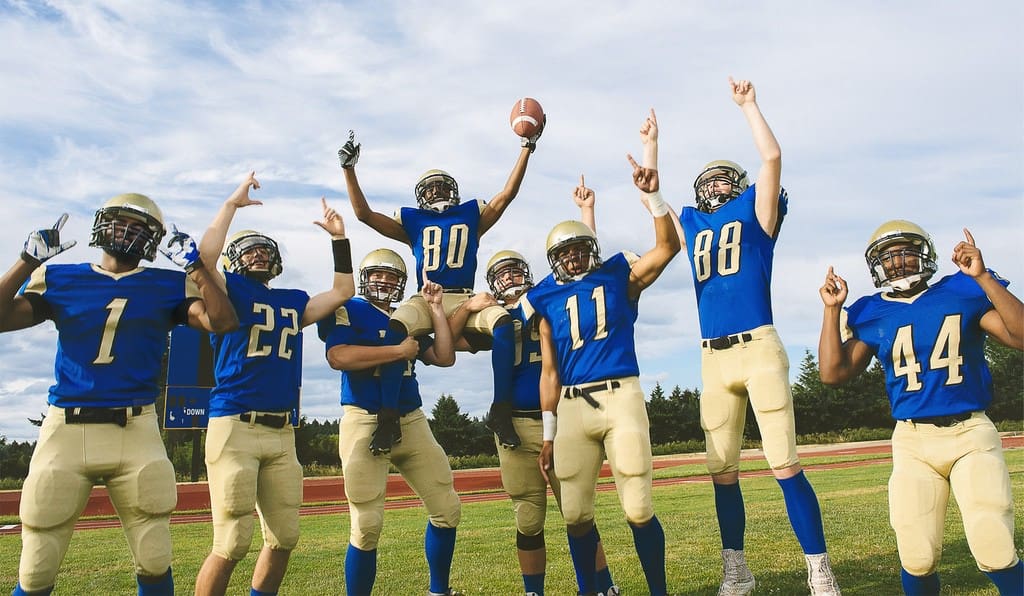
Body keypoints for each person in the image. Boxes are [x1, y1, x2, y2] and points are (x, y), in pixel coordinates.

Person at [651, 80, 839, 595]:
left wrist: (748, 105)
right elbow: (654, 200)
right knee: (722, 471)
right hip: (713, 359)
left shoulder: (757, 214)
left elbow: (772, 155)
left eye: (722, 181)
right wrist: (651, 149)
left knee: (784, 463)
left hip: (758, 348)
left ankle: (818, 567)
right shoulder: (692, 224)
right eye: (707, 183)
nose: (714, 188)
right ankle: (737, 567)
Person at [0, 195, 238, 596]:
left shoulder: (167, 283)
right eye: (121, 222)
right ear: (101, 225)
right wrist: (27, 260)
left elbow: (223, 322)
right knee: (37, 563)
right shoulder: (59, 277)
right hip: (65, 427)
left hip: (135, 426)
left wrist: (196, 265)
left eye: (140, 228)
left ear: (153, 240)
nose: (128, 232)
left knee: (154, 555)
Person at [817, 221, 1023, 595]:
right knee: (917, 555)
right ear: (876, 265)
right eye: (888, 256)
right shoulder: (870, 311)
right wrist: (832, 311)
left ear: (923, 253)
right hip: (913, 440)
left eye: (905, 251)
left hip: (971, 433)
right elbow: (833, 373)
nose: (897, 262)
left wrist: (983, 279)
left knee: (993, 544)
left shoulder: (962, 290)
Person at [522, 139, 680, 596]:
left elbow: (666, 246)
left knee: (638, 507)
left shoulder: (615, 274)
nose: (573, 257)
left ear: (590, 249)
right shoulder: (547, 296)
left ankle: (658, 591)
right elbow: (548, 373)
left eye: (579, 249)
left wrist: (653, 198)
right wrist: (548, 433)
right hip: (571, 405)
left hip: (619, 395)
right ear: (553, 261)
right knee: (574, 513)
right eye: (564, 253)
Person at [192, 172, 355, 596]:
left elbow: (342, 290)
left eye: (265, 250)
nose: (259, 255)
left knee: (284, 536)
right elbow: (206, 261)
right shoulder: (227, 291)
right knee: (231, 542)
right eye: (250, 251)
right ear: (235, 260)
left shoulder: (292, 300)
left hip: (283, 431)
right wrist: (231, 203)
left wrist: (339, 238)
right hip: (235, 424)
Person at [451, 180, 617, 596]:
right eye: (502, 273)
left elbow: (584, 265)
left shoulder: (548, 298)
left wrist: (586, 215)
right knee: (528, 517)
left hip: (560, 421)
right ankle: (534, 591)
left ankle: (603, 586)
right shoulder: (490, 319)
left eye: (515, 270)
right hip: (513, 429)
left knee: (578, 513)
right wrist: (466, 308)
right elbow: (446, 344)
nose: (511, 277)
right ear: (492, 281)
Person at [338, 121, 542, 455]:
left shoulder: (471, 215)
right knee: (395, 330)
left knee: (506, 325)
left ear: (455, 190)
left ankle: (501, 409)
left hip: (464, 295)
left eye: (441, 186)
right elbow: (363, 214)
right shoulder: (413, 222)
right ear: (420, 197)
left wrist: (526, 148)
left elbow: (506, 196)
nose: (436, 192)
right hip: (426, 294)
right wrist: (349, 169)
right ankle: (388, 418)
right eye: (430, 189)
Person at [316, 248, 462, 596]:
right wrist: (397, 351)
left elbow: (444, 356)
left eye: (392, 276)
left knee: (447, 509)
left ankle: (438, 591)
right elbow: (339, 357)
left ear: (401, 283)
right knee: (366, 524)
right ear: (365, 279)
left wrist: (437, 309)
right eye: (377, 275)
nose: (384, 282)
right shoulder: (349, 308)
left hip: (411, 418)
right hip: (364, 419)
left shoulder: (410, 315)